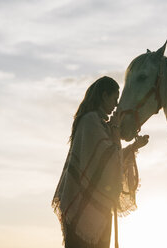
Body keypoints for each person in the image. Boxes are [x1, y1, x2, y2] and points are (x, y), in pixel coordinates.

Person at [52, 76, 149, 248]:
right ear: (104, 96)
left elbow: (111, 159)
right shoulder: (90, 121)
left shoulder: (101, 123)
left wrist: (134, 146)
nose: (117, 104)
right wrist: (116, 129)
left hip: (98, 207)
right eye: (115, 98)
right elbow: (110, 158)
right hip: (84, 204)